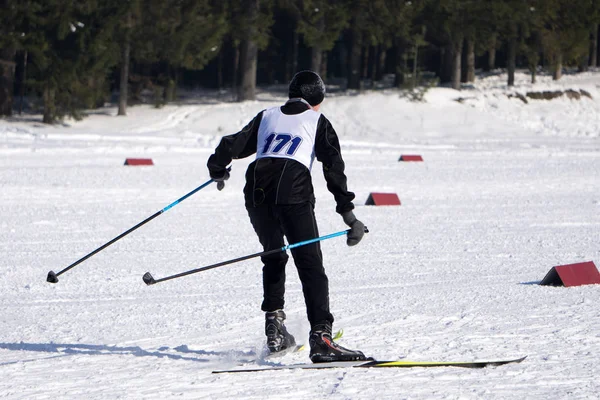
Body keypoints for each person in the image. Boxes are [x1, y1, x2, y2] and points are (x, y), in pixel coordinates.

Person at [207, 70, 366, 363]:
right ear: (317, 99)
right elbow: (333, 168)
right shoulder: (317, 121)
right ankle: (321, 338)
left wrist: (218, 168)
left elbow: (233, 145)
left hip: (256, 189)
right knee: (309, 264)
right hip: (293, 190)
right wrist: (349, 216)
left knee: (275, 256)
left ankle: (275, 327)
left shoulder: (267, 115)